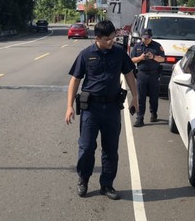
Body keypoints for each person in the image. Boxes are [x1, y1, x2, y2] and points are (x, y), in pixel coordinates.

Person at [65, 20, 138, 200]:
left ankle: (107, 184)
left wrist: (135, 97)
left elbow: (129, 73)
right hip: (91, 109)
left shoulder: (119, 53)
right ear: (97, 38)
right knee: (87, 147)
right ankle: (83, 179)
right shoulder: (86, 54)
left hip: (112, 108)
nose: (111, 41)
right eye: (107, 39)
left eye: (113, 38)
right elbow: (75, 80)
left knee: (111, 149)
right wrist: (69, 107)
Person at [130, 28, 165, 127]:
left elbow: (162, 59)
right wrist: (140, 58)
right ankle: (139, 118)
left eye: (147, 38)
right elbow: (132, 59)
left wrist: (153, 57)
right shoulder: (137, 46)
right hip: (141, 74)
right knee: (141, 97)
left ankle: (153, 113)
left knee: (154, 97)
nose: (145, 40)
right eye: (144, 38)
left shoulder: (157, 46)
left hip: (154, 74)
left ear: (151, 37)